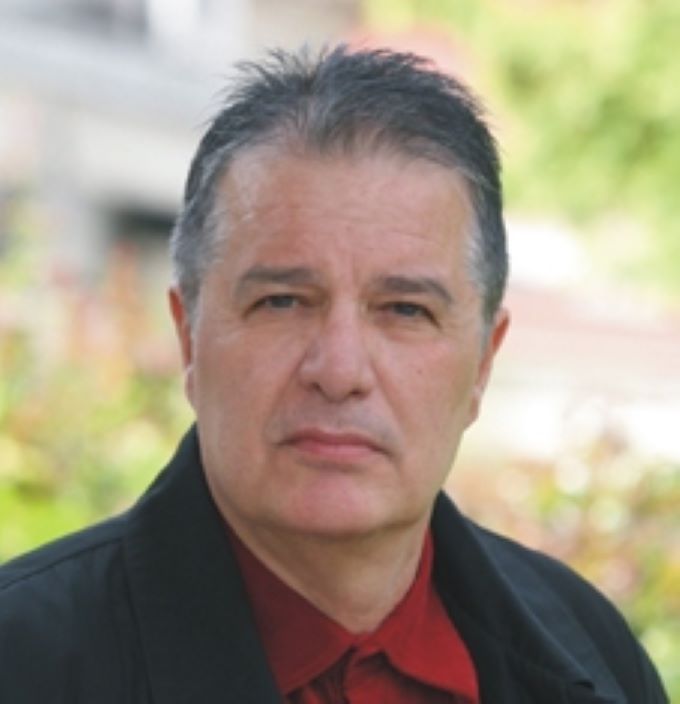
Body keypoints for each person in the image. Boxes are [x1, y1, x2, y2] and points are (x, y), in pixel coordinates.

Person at [0, 45, 668, 704]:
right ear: (189, 339)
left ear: (483, 365)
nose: (340, 371)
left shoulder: (593, 651)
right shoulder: (22, 660)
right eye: (282, 302)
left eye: (404, 310)